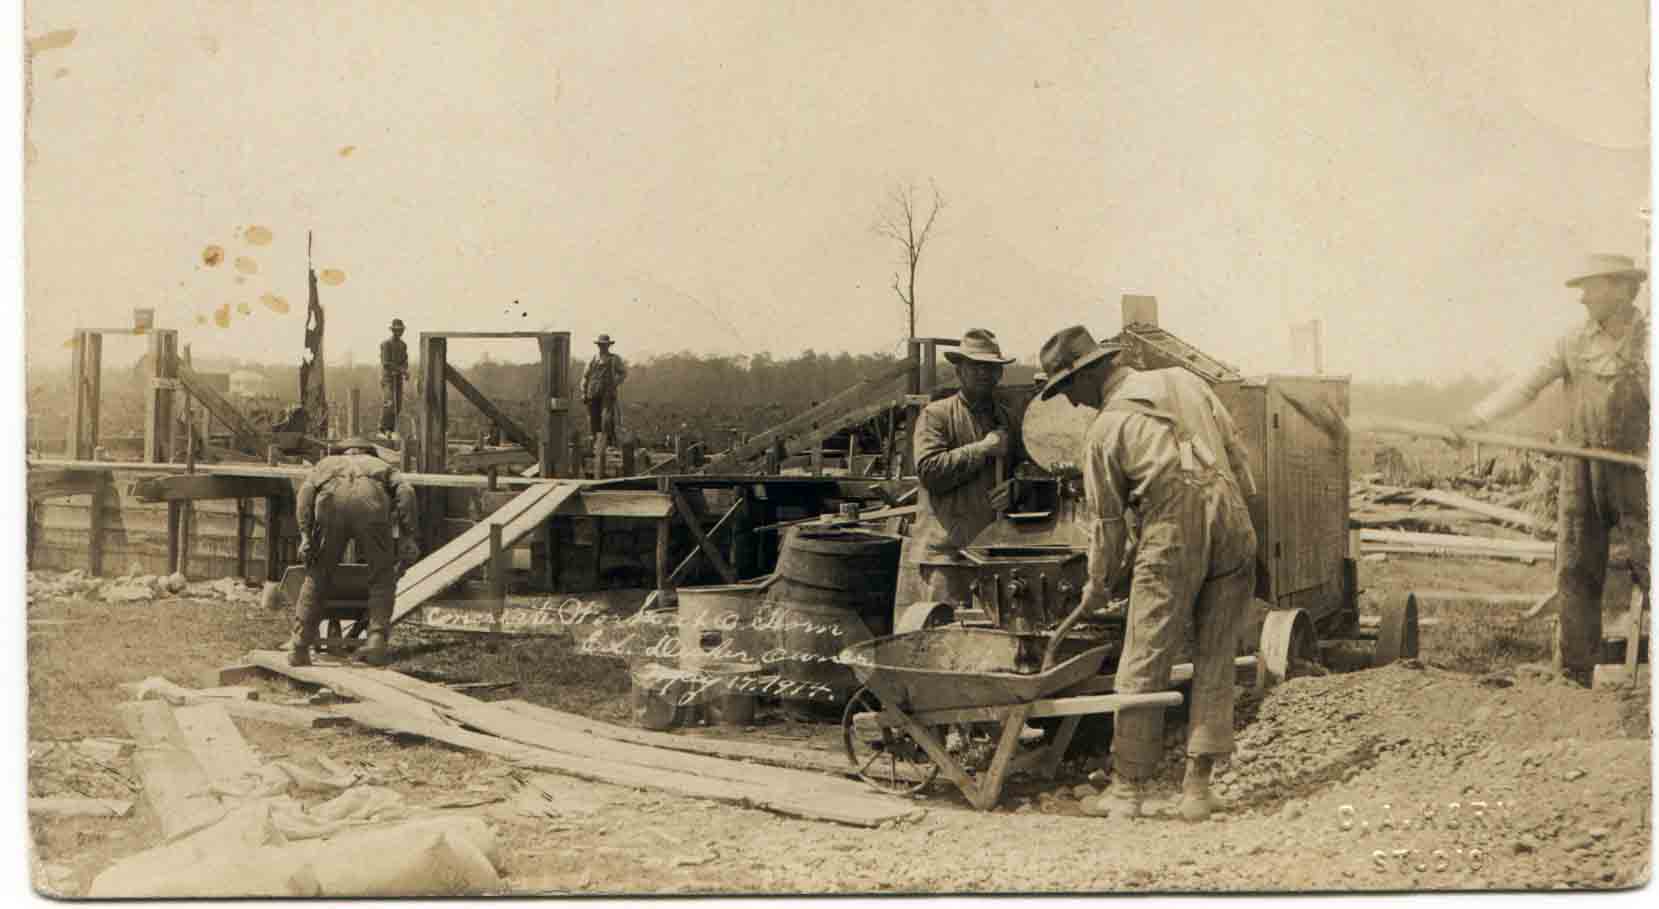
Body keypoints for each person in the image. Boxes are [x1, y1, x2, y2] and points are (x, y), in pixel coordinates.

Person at [1037, 325, 1257, 821]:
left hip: (1173, 531)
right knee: (1216, 652)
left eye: (1068, 390)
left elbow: (1108, 530)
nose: (1072, 405)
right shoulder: (1186, 381)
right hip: (1236, 521)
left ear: (1090, 375)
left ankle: (1127, 790)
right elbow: (1240, 461)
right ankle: (1197, 792)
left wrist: (1097, 586)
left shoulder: (1104, 430)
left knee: (1144, 652)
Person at [1456, 253, 1650, 687]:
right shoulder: (1571, 342)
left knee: (1650, 563)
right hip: (1580, 469)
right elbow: (1526, 384)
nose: (1582, 298)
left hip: (1638, 472)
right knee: (1576, 568)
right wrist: (1476, 419)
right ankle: (1574, 679)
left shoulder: (1649, 340)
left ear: (1621, 288)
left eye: (1591, 287)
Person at [894, 329, 1022, 613]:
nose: (984, 373)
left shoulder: (1007, 419)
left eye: (990, 367)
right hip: (948, 558)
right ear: (959, 370)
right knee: (945, 643)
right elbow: (929, 472)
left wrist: (1016, 487)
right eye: (976, 366)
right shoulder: (935, 415)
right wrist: (983, 448)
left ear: (999, 374)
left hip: (994, 556)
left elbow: (1025, 470)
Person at [290, 437, 419, 667]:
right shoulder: (381, 466)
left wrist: (305, 537)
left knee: (317, 575)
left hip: (330, 503)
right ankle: (376, 642)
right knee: (382, 576)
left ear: (342, 451)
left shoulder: (326, 464)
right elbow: (407, 492)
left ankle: (300, 647)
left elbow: (304, 496)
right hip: (372, 506)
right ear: (369, 452)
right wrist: (408, 535)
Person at [581, 333, 628, 441]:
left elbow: (623, 373)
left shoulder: (614, 359)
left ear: (608, 346)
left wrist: (615, 383)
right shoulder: (592, 359)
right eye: (601, 345)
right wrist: (583, 392)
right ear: (598, 346)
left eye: (605, 345)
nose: (603, 347)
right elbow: (585, 376)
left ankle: (608, 442)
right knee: (593, 419)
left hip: (608, 393)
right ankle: (595, 444)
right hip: (592, 392)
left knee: (607, 419)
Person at [379, 319, 409, 434]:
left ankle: (391, 430)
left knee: (398, 405)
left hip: (398, 378)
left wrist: (405, 370)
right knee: (389, 402)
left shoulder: (403, 345)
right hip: (388, 379)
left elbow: (405, 361)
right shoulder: (386, 344)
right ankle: (383, 429)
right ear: (393, 331)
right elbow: (386, 363)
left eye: (401, 330)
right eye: (397, 330)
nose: (399, 332)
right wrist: (401, 370)